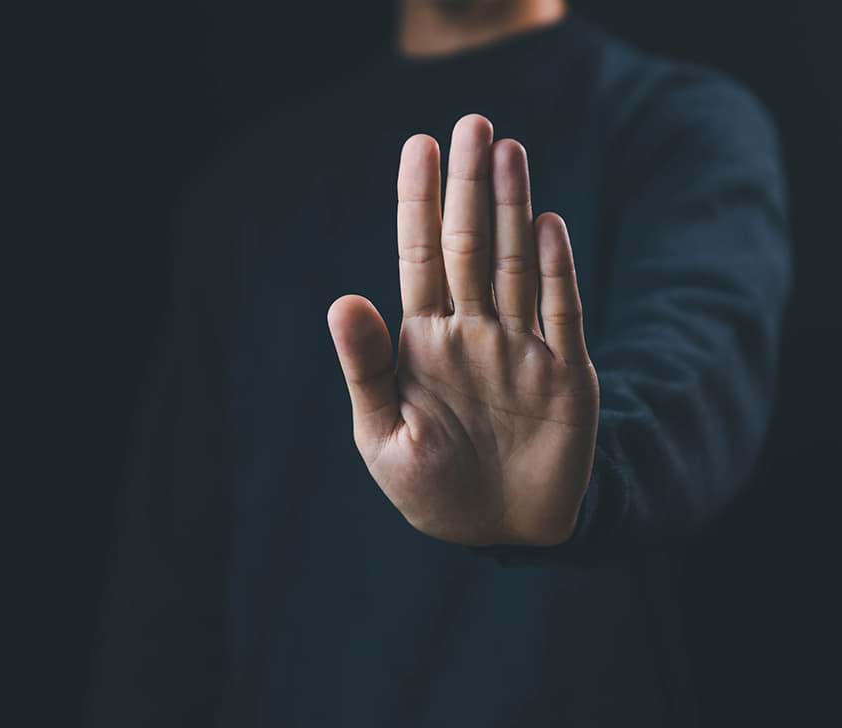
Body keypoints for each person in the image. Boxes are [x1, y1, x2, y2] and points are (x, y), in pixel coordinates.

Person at [86, 0, 791, 725]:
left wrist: (582, 474)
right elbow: (170, 573)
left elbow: (701, 371)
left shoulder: (680, 126)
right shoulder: (244, 189)